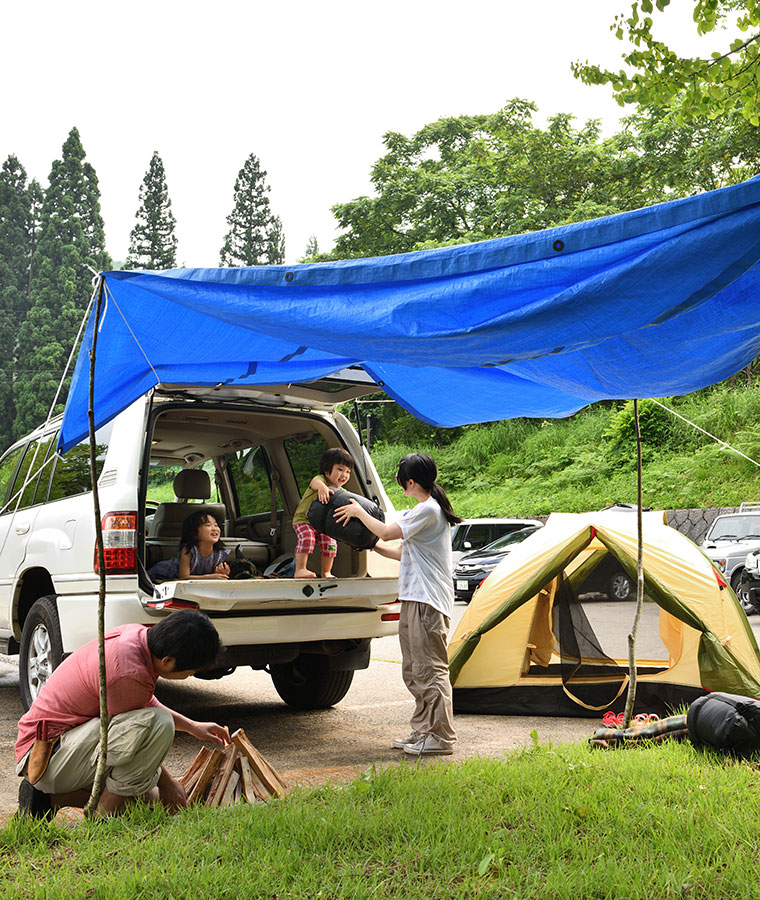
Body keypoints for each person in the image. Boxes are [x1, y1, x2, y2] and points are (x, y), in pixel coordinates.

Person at [16, 610, 230, 818]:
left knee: (147, 799)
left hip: (62, 746)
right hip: (44, 756)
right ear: (168, 661)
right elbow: (143, 729)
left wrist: (193, 727)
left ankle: (48, 800)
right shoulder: (128, 673)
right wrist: (168, 784)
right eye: (190, 672)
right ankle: (103, 814)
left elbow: (144, 704)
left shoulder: (136, 638)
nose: (189, 676)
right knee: (160, 726)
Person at [334, 452, 461, 756]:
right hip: (415, 599)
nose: (401, 487)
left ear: (412, 482)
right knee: (414, 669)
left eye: (403, 482)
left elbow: (390, 531)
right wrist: (369, 543)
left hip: (427, 601)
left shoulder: (429, 510)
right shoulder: (424, 511)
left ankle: (441, 737)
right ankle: (423, 730)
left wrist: (358, 512)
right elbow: (401, 550)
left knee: (430, 669)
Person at [292, 447, 354, 579]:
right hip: (304, 520)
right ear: (327, 470)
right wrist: (322, 488)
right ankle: (300, 569)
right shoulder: (320, 480)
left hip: (322, 525)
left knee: (331, 544)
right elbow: (315, 483)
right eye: (340, 469)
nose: (345, 475)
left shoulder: (341, 492)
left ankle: (326, 572)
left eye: (348, 471)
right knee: (308, 538)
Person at [149, 509, 231, 582]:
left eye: (216, 525)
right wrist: (210, 577)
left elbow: (214, 576)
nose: (214, 528)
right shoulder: (189, 550)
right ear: (194, 533)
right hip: (163, 573)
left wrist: (222, 573)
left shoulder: (219, 553)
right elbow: (184, 577)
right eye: (208, 525)